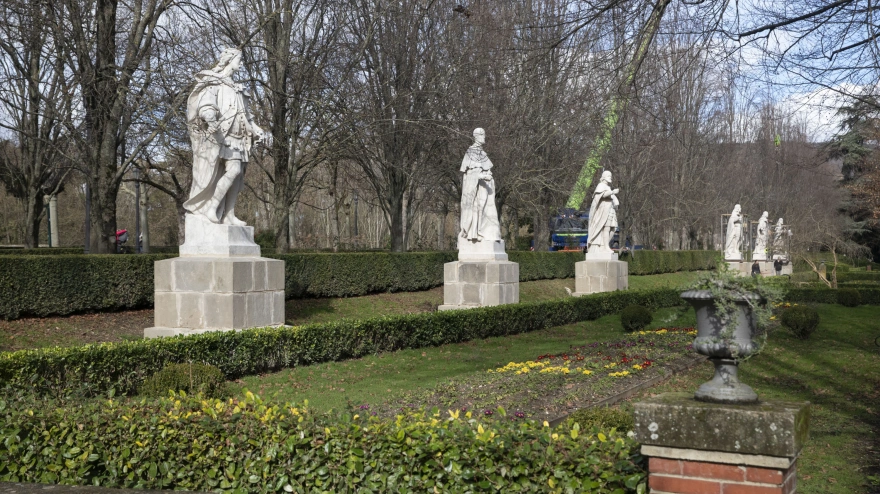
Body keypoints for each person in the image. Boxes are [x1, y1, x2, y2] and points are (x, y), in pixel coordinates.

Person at [183, 47, 265, 225]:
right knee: (233, 171)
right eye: (239, 60)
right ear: (229, 60)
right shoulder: (213, 82)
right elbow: (206, 105)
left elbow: (247, 116)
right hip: (221, 136)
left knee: (237, 175)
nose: (241, 64)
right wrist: (210, 117)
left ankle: (229, 214)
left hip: (239, 138)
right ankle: (212, 207)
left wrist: (257, 129)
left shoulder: (237, 88)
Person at [459, 128, 501, 242]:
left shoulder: (482, 153)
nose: (484, 137)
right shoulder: (470, 152)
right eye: (482, 135)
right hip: (476, 189)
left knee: (487, 210)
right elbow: (471, 173)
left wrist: (488, 175)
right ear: (477, 136)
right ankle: (474, 233)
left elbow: (486, 168)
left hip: (484, 188)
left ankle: (485, 233)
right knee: (476, 208)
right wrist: (482, 176)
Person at [586, 170, 620, 254]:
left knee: (613, 228)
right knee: (606, 228)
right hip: (604, 210)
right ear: (604, 177)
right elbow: (603, 195)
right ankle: (605, 247)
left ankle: (604, 245)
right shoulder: (601, 185)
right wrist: (612, 192)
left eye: (611, 176)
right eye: (609, 176)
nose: (610, 178)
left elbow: (610, 197)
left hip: (610, 209)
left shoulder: (607, 187)